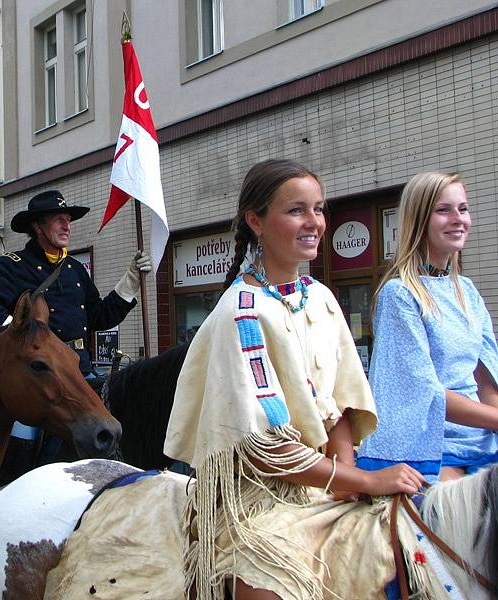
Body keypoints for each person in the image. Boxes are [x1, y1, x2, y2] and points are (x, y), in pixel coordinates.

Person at [163, 160, 424, 600]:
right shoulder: (241, 312)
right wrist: (365, 482)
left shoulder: (320, 297)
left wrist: (347, 477)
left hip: (324, 481)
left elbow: (341, 402)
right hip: (257, 498)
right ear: (255, 221)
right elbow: (266, 451)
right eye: (297, 210)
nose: (315, 223)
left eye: (319, 209)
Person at [0, 190, 150, 479]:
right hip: (38, 377)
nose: (67, 225)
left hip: (79, 370)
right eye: (59, 220)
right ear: (38, 227)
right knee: (20, 442)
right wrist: (21, 333)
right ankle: (11, 494)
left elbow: (99, 317)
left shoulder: (73, 269)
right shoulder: (14, 265)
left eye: (68, 220)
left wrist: (130, 282)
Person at [357, 173, 498, 483]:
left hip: (483, 441)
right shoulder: (400, 294)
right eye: (444, 210)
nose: (458, 219)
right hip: (430, 447)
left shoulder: (468, 291)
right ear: (419, 219)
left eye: (463, 208)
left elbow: (485, 377)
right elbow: (423, 393)